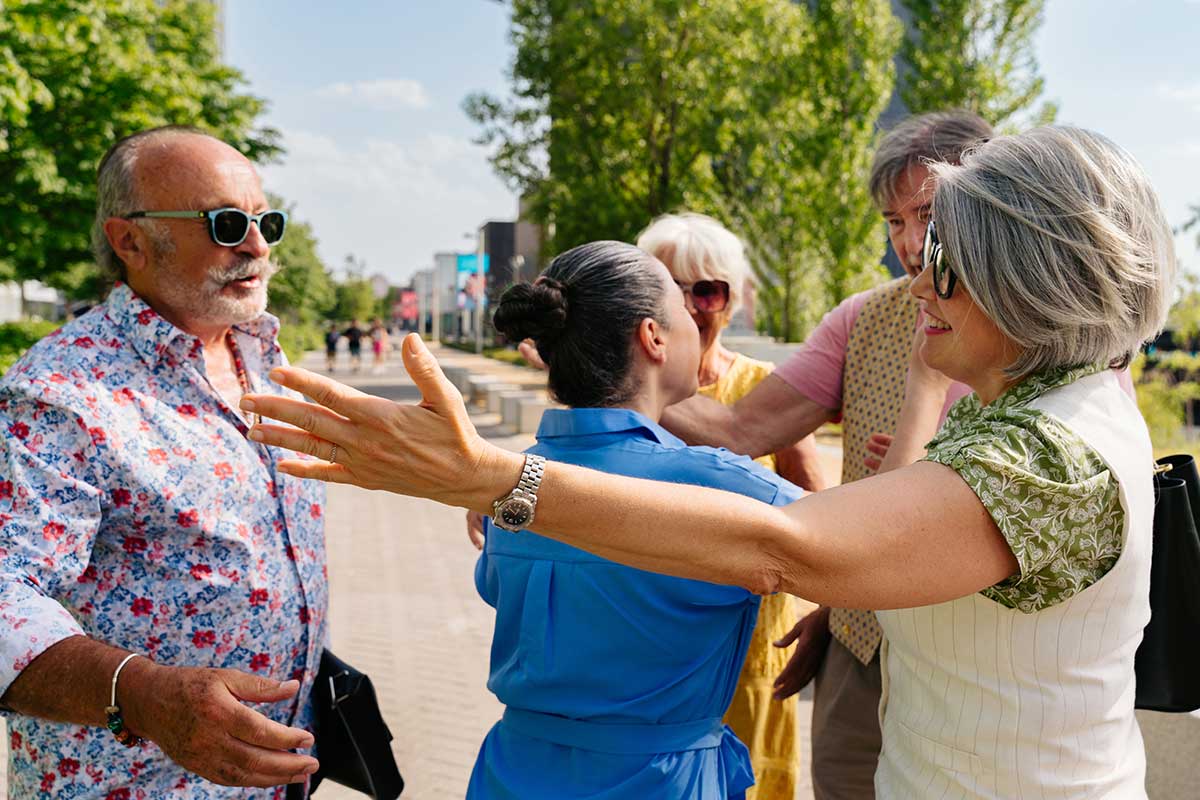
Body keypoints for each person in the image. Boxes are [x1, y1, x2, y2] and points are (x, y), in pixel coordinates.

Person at [244, 125, 1175, 799]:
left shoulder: (1052, 455)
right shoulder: (1033, 414)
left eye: (944, 256)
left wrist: (496, 479)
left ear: (1031, 280)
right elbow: (852, 544)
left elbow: (792, 547)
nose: (916, 276)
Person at [660, 111, 991, 799]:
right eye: (892, 221)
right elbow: (741, 431)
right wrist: (600, 379)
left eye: (926, 214)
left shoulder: (1052, 334)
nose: (909, 242)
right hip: (861, 647)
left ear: (989, 206)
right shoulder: (861, 319)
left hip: (983, 652)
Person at [0, 126, 326, 798]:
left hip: (270, 771)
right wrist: (145, 696)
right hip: (137, 784)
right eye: (227, 223)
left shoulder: (260, 353)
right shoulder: (58, 392)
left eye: (267, 221)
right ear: (131, 241)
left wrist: (476, 486)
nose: (258, 246)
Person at [476, 241, 806, 797]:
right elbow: (866, 544)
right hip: (659, 782)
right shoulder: (721, 483)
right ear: (653, 337)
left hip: (513, 772)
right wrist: (924, 385)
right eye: (682, 308)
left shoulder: (513, 483)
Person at [636, 211, 823, 799]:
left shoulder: (767, 391)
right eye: (670, 289)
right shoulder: (621, 390)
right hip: (647, 646)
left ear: (733, 300)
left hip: (749, 651)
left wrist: (832, 615)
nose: (690, 307)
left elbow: (821, 514)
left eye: (708, 290)